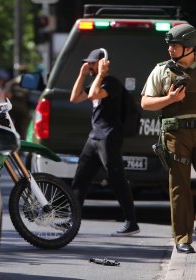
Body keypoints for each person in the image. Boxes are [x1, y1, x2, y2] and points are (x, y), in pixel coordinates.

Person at [69, 48, 140, 236]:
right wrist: (82, 74)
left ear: (101, 63)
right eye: (89, 63)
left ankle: (131, 222)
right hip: (94, 137)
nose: (89, 66)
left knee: (117, 179)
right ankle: (72, 220)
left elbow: (93, 95)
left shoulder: (111, 83)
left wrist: (100, 74)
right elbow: (75, 98)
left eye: (92, 63)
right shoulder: (96, 81)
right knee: (80, 179)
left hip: (109, 136)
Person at [141, 23, 196, 254]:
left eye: (175, 46)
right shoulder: (162, 71)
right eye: (170, 46)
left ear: (189, 46)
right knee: (179, 188)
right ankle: (183, 239)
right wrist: (171, 99)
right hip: (176, 134)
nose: (171, 50)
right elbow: (145, 102)